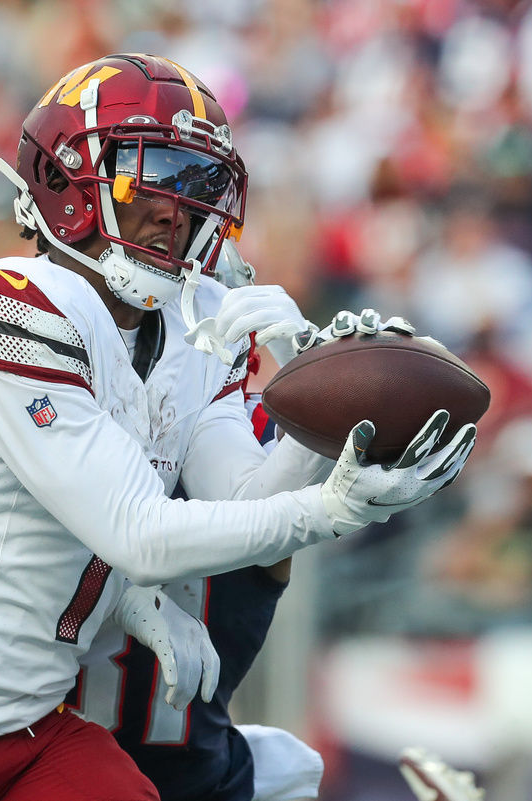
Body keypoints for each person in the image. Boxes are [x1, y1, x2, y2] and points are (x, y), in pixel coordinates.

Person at [0, 53, 476, 801]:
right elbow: (138, 533)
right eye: (159, 171)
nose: (180, 206)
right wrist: (324, 510)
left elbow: (238, 502)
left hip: (29, 726)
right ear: (70, 178)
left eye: (198, 182)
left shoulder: (196, 326)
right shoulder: (12, 303)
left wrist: (321, 412)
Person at [76, 241, 485, 801]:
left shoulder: (265, 441)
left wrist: (344, 388)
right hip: (47, 750)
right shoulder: (64, 416)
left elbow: (258, 521)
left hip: (193, 772)